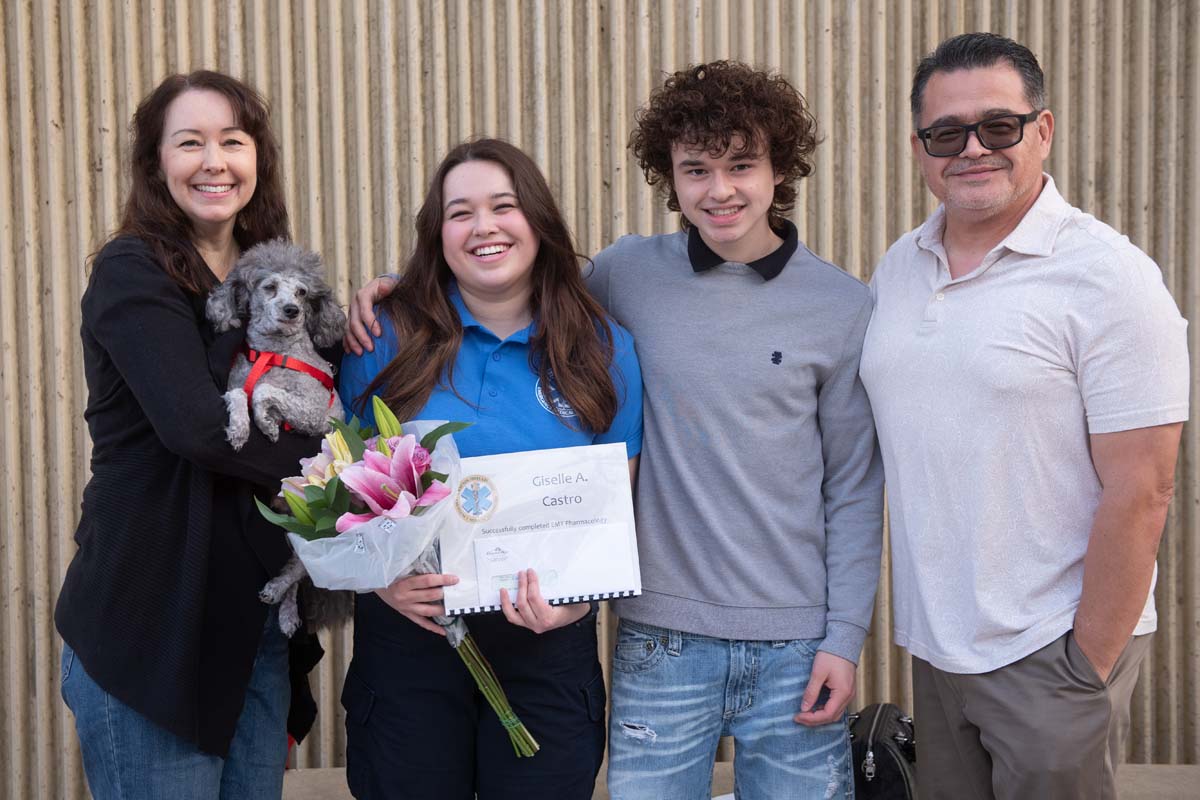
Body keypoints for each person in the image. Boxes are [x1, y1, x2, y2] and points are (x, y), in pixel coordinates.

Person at [347, 63, 882, 800]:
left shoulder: (839, 305)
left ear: (780, 168)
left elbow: (853, 486)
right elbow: (503, 276)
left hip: (767, 639)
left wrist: (844, 636)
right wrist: (390, 292)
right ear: (668, 173)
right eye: (696, 169)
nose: (719, 189)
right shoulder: (626, 275)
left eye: (741, 166)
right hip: (644, 638)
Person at [859, 32, 1189, 800]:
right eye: (948, 133)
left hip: (1051, 651)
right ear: (920, 149)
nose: (973, 148)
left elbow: (1145, 487)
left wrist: (1084, 670)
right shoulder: (902, 265)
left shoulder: (1109, 279)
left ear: (1042, 130)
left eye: (998, 126)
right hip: (938, 650)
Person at [336, 138, 643, 800]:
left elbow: (615, 510)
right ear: (437, 233)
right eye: (460, 212)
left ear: (536, 219)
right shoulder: (380, 338)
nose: (484, 227)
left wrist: (575, 603)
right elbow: (340, 487)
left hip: (546, 647)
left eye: (503, 206)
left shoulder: (603, 348)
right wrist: (380, 578)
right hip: (410, 643)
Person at [56, 71, 330, 800]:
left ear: (258, 159)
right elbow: (201, 430)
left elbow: (321, 377)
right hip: (154, 622)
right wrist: (342, 469)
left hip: (251, 629)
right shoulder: (132, 271)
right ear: (156, 163)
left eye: (233, 142)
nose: (215, 161)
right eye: (190, 143)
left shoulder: (269, 275)